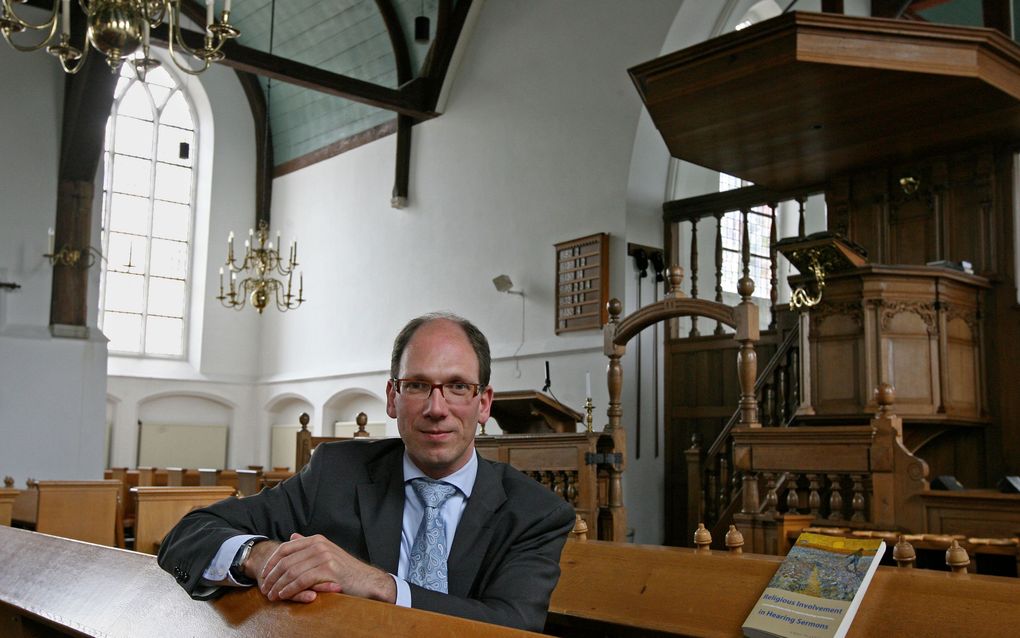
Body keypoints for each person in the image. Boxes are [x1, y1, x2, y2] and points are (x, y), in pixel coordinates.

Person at [158, 312, 576, 631]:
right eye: (417, 385)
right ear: (393, 397)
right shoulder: (337, 473)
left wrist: (377, 584)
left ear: (484, 404)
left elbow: (513, 626)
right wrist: (261, 556)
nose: (436, 408)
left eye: (457, 387)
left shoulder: (535, 512)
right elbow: (189, 535)